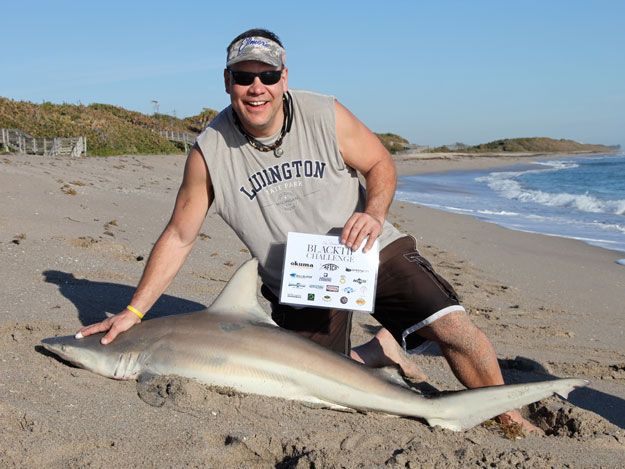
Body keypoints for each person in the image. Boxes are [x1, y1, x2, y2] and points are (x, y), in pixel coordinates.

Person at [79, 28, 538, 433]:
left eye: (267, 75)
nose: (255, 87)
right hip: (302, 280)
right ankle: (383, 351)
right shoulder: (209, 152)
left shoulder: (324, 113)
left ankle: (509, 418)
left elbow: (380, 163)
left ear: (284, 78)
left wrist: (374, 214)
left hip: (366, 249)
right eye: (243, 77)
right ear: (227, 82)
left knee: (452, 327)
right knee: (315, 382)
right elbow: (180, 235)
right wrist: (134, 313)